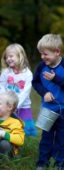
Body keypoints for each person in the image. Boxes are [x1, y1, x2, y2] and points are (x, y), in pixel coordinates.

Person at [32, 33, 64, 169]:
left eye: (45, 54)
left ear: (57, 52)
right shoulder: (41, 66)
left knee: (62, 139)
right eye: (41, 54)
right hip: (47, 109)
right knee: (46, 137)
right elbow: (35, 82)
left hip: (63, 110)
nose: (42, 57)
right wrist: (44, 93)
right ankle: (42, 163)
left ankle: (60, 163)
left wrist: (55, 79)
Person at [0, 43, 37, 136]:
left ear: (20, 56)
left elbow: (25, 92)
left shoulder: (27, 74)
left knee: (22, 131)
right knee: (7, 128)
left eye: (11, 56)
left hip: (23, 106)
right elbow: (1, 86)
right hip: (6, 106)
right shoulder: (6, 72)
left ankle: (21, 146)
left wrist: (15, 105)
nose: (8, 59)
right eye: (7, 57)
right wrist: (3, 102)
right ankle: (8, 146)